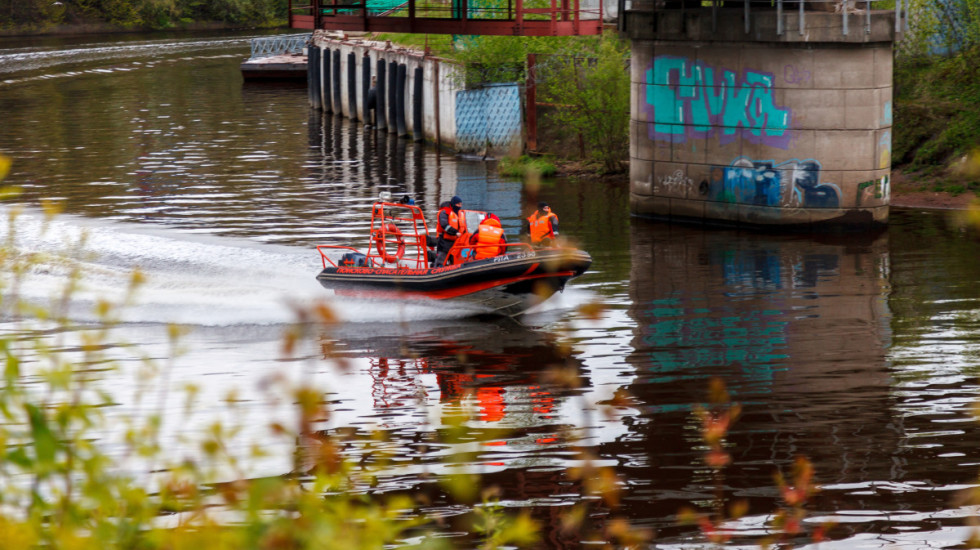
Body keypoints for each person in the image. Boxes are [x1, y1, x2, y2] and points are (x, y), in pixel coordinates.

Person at [433, 195, 463, 267]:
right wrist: (455, 232)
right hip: (444, 240)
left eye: (461, 204)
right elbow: (444, 225)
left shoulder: (459, 214)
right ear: (453, 204)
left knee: (454, 261)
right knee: (441, 259)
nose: (460, 206)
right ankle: (437, 269)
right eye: (458, 204)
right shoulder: (444, 212)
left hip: (455, 242)